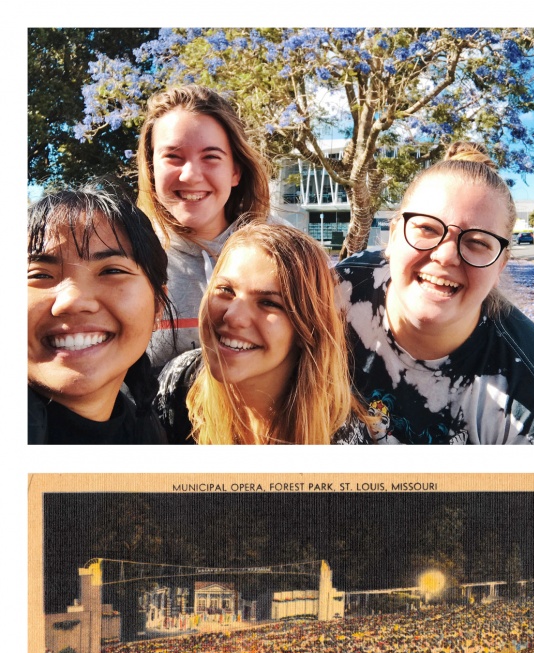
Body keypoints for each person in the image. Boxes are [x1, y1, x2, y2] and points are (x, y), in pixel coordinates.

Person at [336, 141, 534, 444]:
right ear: (394, 236)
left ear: (500, 265)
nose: (446, 256)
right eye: (427, 229)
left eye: (477, 241)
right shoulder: (340, 289)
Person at [155, 222, 369, 444]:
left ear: (307, 327)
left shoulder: (339, 437)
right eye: (226, 290)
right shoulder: (178, 382)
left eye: (269, 302)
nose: (233, 316)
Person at [137, 84, 271, 368]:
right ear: (151, 168)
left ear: (235, 171)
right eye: (173, 157)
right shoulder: (126, 259)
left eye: (211, 157)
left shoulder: (282, 254)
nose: (191, 175)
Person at [28, 186, 174, 444]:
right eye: (40, 275)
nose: (72, 301)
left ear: (157, 307)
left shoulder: (149, 433)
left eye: (111, 271)